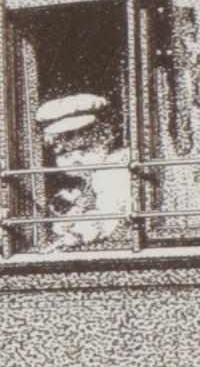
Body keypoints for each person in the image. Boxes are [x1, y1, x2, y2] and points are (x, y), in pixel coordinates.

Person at [32, 92, 138, 250]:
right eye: (64, 151)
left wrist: (74, 234)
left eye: (84, 148)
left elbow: (108, 223)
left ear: (105, 134)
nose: (75, 159)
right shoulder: (93, 175)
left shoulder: (114, 168)